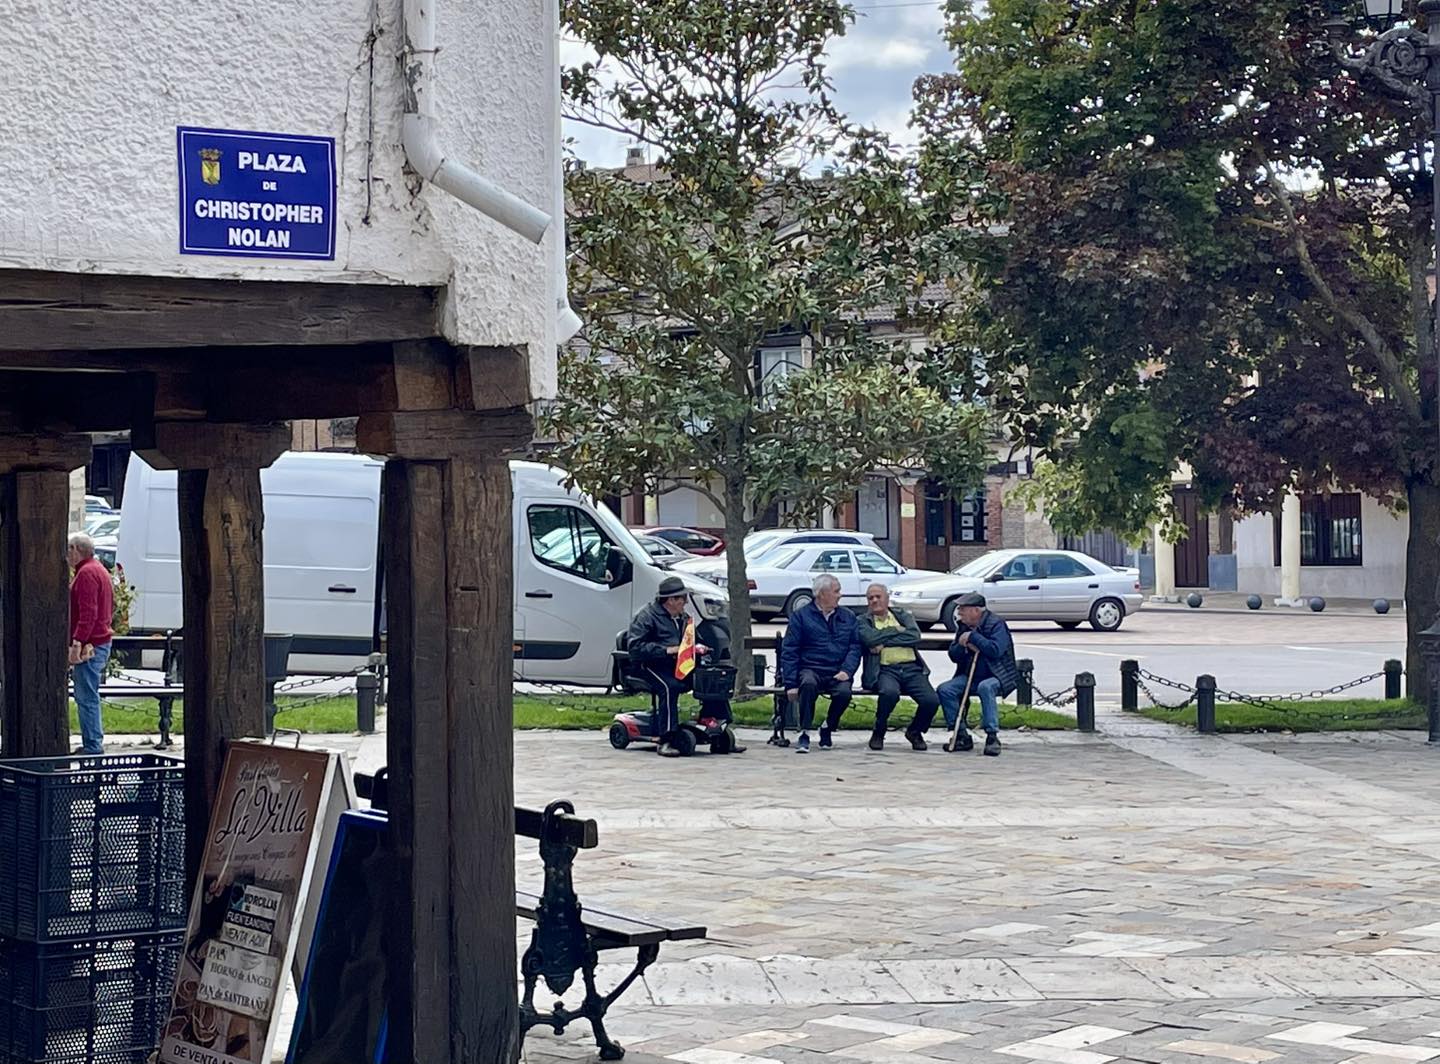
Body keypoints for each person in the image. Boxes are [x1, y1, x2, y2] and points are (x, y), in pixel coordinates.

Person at [626, 575, 743, 756]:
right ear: (670, 600)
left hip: (679, 664)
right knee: (669, 687)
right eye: (682, 599)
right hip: (650, 665)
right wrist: (668, 650)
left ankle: (716, 726)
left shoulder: (683, 617)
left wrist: (700, 648)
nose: (685, 603)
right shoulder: (646, 617)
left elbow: (693, 639)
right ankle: (666, 739)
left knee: (712, 679)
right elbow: (635, 648)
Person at [780, 573, 860, 753]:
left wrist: (847, 671)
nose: (840, 595)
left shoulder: (848, 617)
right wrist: (791, 684)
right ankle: (805, 732)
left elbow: (855, 647)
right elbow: (790, 650)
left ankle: (827, 727)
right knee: (807, 684)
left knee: (844, 693)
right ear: (822, 594)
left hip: (837, 669)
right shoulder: (800, 617)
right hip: (810, 668)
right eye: (836, 591)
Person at [857, 583, 940, 751]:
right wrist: (896, 630)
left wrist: (884, 640)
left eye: (878, 597)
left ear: (887, 599)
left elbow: (914, 636)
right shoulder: (863, 620)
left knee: (931, 701)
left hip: (911, 669)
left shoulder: (903, 615)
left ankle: (915, 731)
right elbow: (870, 639)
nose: (874, 600)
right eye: (870, 598)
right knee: (889, 693)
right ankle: (879, 731)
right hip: (885, 670)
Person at [938, 592, 1015, 757]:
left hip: (997, 675)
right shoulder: (963, 626)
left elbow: (996, 650)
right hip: (970, 676)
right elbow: (953, 655)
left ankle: (992, 737)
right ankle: (961, 734)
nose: (959, 613)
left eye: (962, 609)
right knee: (946, 689)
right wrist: (962, 645)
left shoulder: (996, 624)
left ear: (976, 610)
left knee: (985, 688)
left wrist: (974, 637)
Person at [68, 531, 114, 755]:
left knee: (86, 696)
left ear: (76, 550)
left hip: (91, 644)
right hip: (100, 641)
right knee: (88, 694)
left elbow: (88, 613)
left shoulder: (86, 573)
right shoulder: (99, 570)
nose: (67, 554)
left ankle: (93, 745)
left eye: (69, 548)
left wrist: (77, 642)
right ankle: (92, 743)